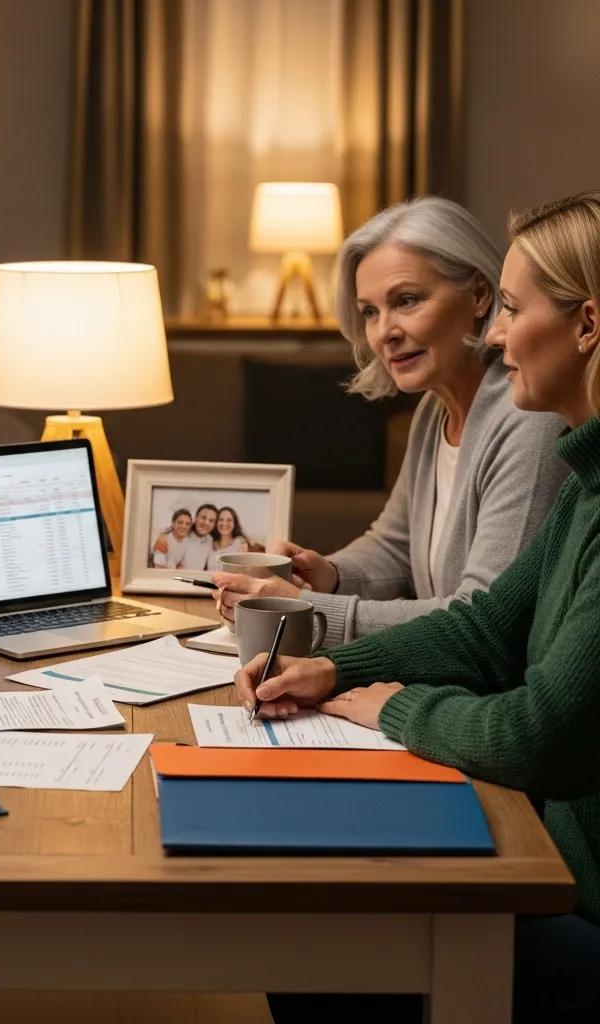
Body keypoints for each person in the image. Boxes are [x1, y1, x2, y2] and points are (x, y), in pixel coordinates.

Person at [237, 190, 600, 1023]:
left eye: (510, 308)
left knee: (314, 935)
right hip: (554, 853)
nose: (500, 338)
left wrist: (399, 705)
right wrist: (331, 668)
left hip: (577, 890)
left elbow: (536, 731)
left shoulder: (548, 438)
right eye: (370, 310)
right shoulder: (589, 475)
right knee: (306, 918)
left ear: (585, 326)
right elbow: (483, 624)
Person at [213, 197, 568, 647]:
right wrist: (325, 572)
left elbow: (483, 618)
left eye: (407, 300)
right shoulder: (432, 408)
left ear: (480, 295)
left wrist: (309, 611)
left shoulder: (527, 420)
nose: (385, 332)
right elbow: (393, 546)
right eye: (370, 312)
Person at [205, 505, 249, 570]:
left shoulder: (240, 544)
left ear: (235, 523)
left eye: (229, 520)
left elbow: (243, 571)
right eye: (221, 519)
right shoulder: (210, 542)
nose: (224, 523)